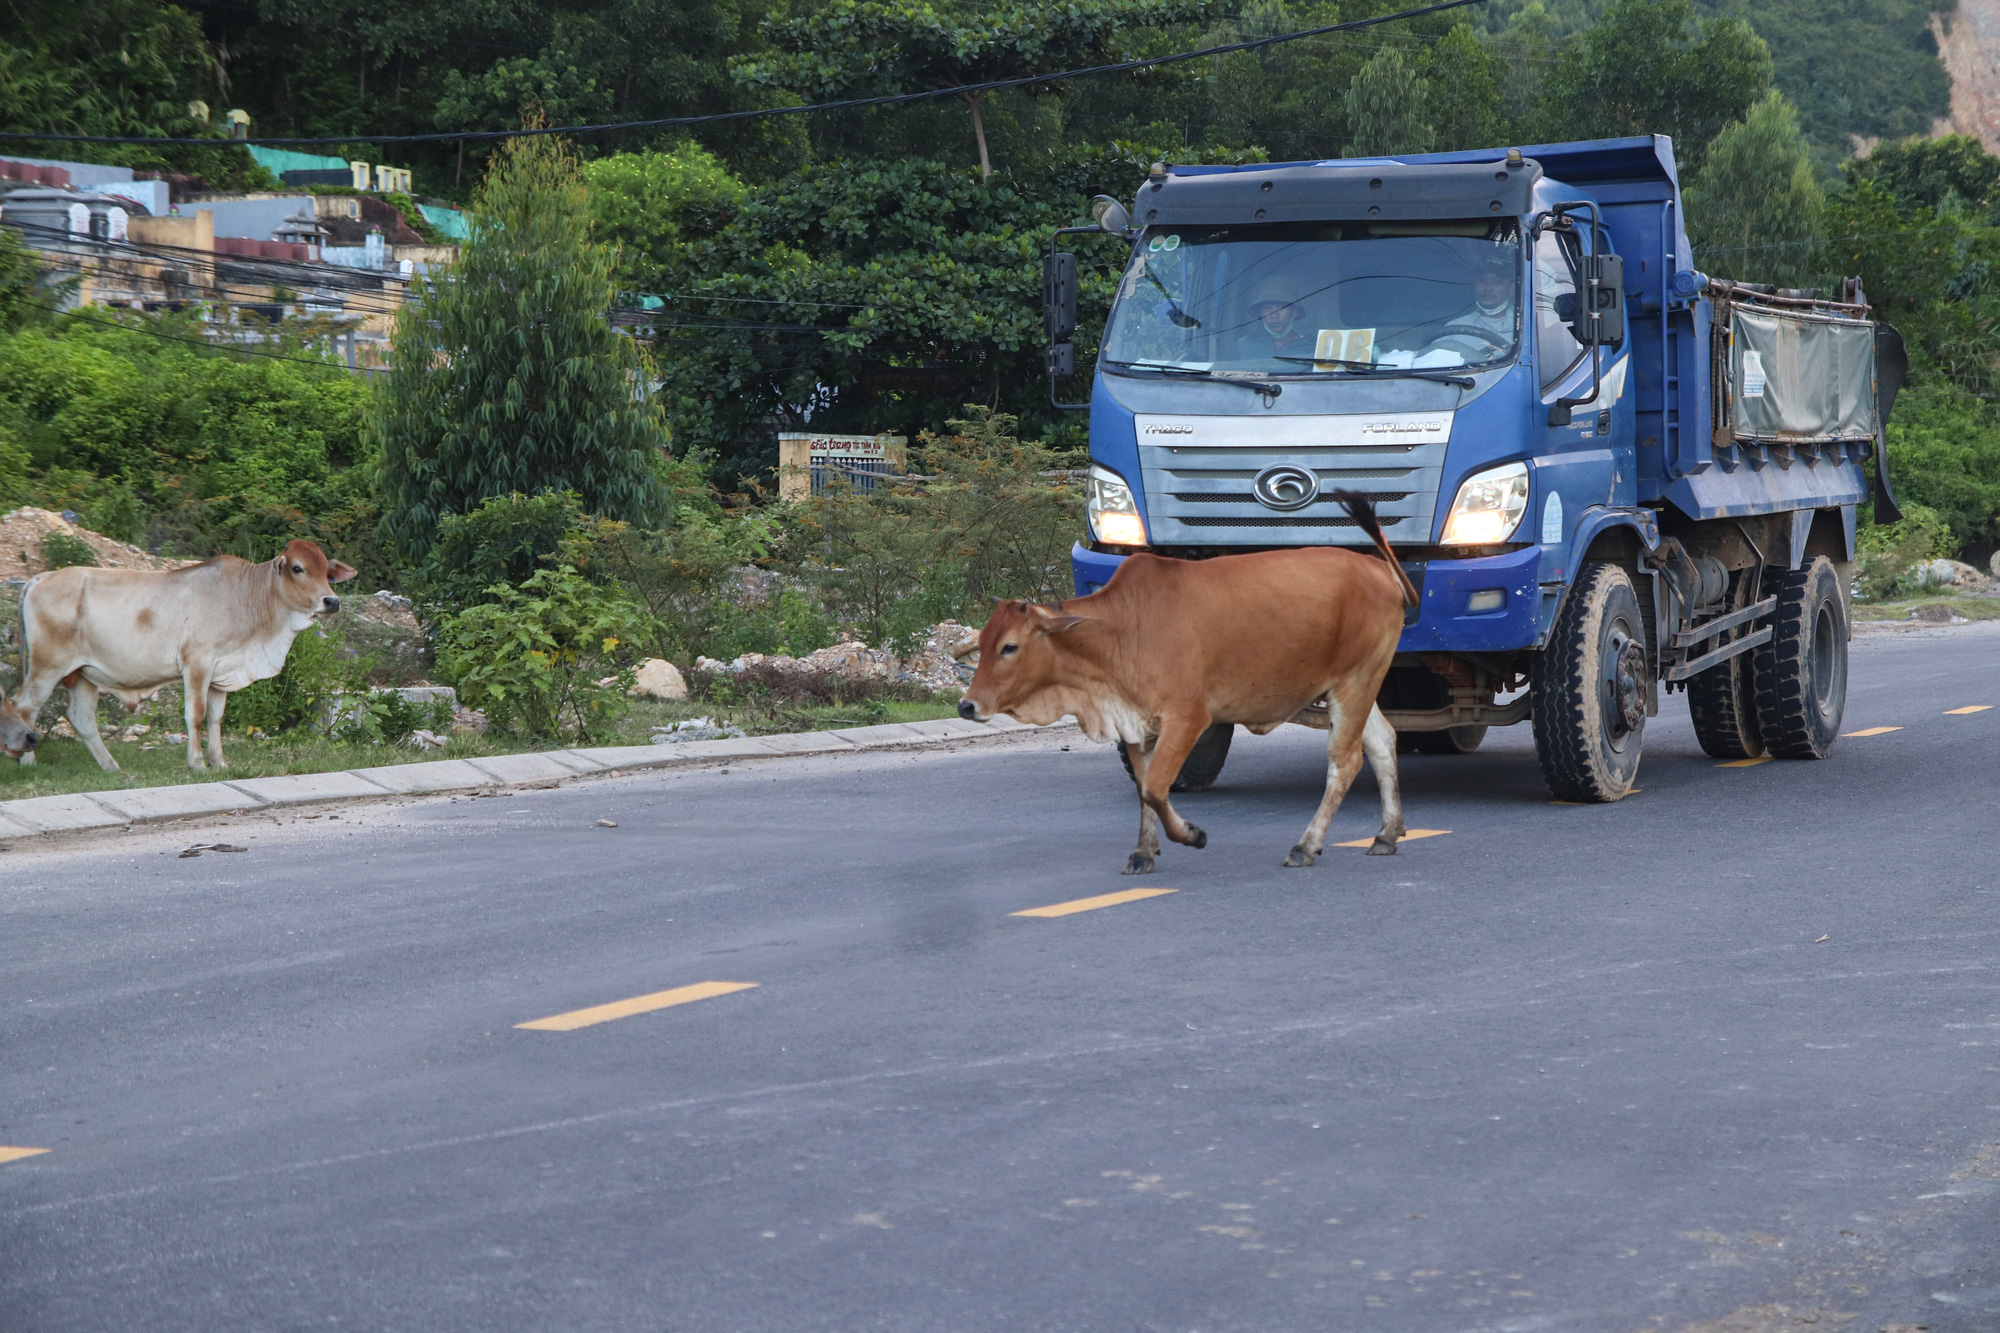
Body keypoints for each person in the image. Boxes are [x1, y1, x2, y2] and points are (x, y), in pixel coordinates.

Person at [1422, 253, 1517, 361]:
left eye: (1497, 282)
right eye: (1482, 280)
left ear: (1511, 287)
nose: (1488, 287)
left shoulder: (1523, 328)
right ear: (1474, 285)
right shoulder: (1453, 329)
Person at [1237, 275, 1314, 363]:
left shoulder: (1310, 346)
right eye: (1267, 308)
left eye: (1281, 307)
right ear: (1260, 313)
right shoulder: (1246, 344)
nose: (1274, 315)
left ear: (1294, 312)